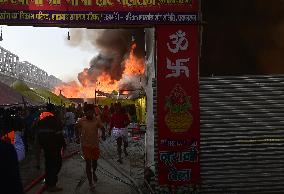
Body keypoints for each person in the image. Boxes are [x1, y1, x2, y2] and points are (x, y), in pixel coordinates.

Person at [36, 103, 66, 192]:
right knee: (57, 164)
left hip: (46, 147)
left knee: (48, 164)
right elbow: (59, 134)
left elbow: (38, 134)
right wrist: (64, 145)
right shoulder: (55, 120)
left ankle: (49, 183)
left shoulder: (41, 120)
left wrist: (40, 146)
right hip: (54, 147)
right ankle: (52, 184)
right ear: (53, 110)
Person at [76, 104, 106, 191]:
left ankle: (94, 173)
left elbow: (103, 128)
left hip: (95, 145)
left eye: (91, 111)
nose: (89, 113)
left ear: (93, 112)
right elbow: (76, 127)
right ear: (85, 112)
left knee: (95, 163)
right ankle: (90, 183)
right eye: (87, 111)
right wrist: (77, 137)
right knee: (88, 164)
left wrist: (103, 135)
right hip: (85, 146)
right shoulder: (82, 120)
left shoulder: (97, 120)